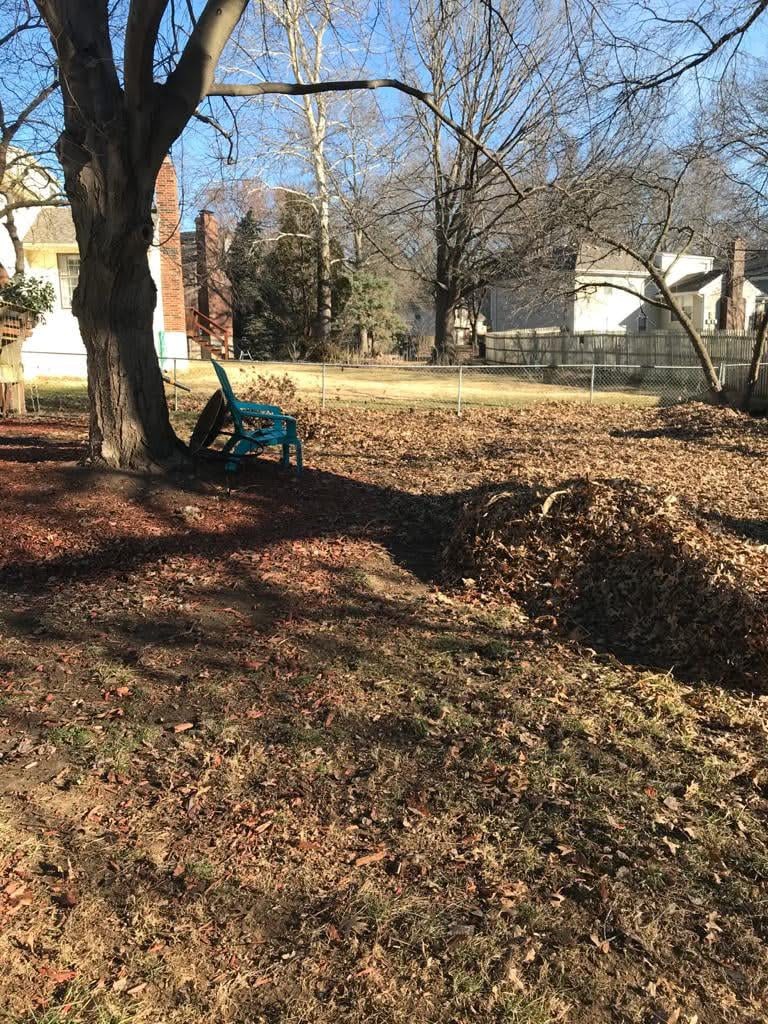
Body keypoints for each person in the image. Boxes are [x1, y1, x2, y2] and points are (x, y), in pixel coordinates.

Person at [0, 263, 26, 416]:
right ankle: (7, 408)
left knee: (7, 377)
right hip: (9, 347)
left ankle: (7, 408)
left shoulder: (11, 301)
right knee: (7, 378)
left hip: (9, 347)